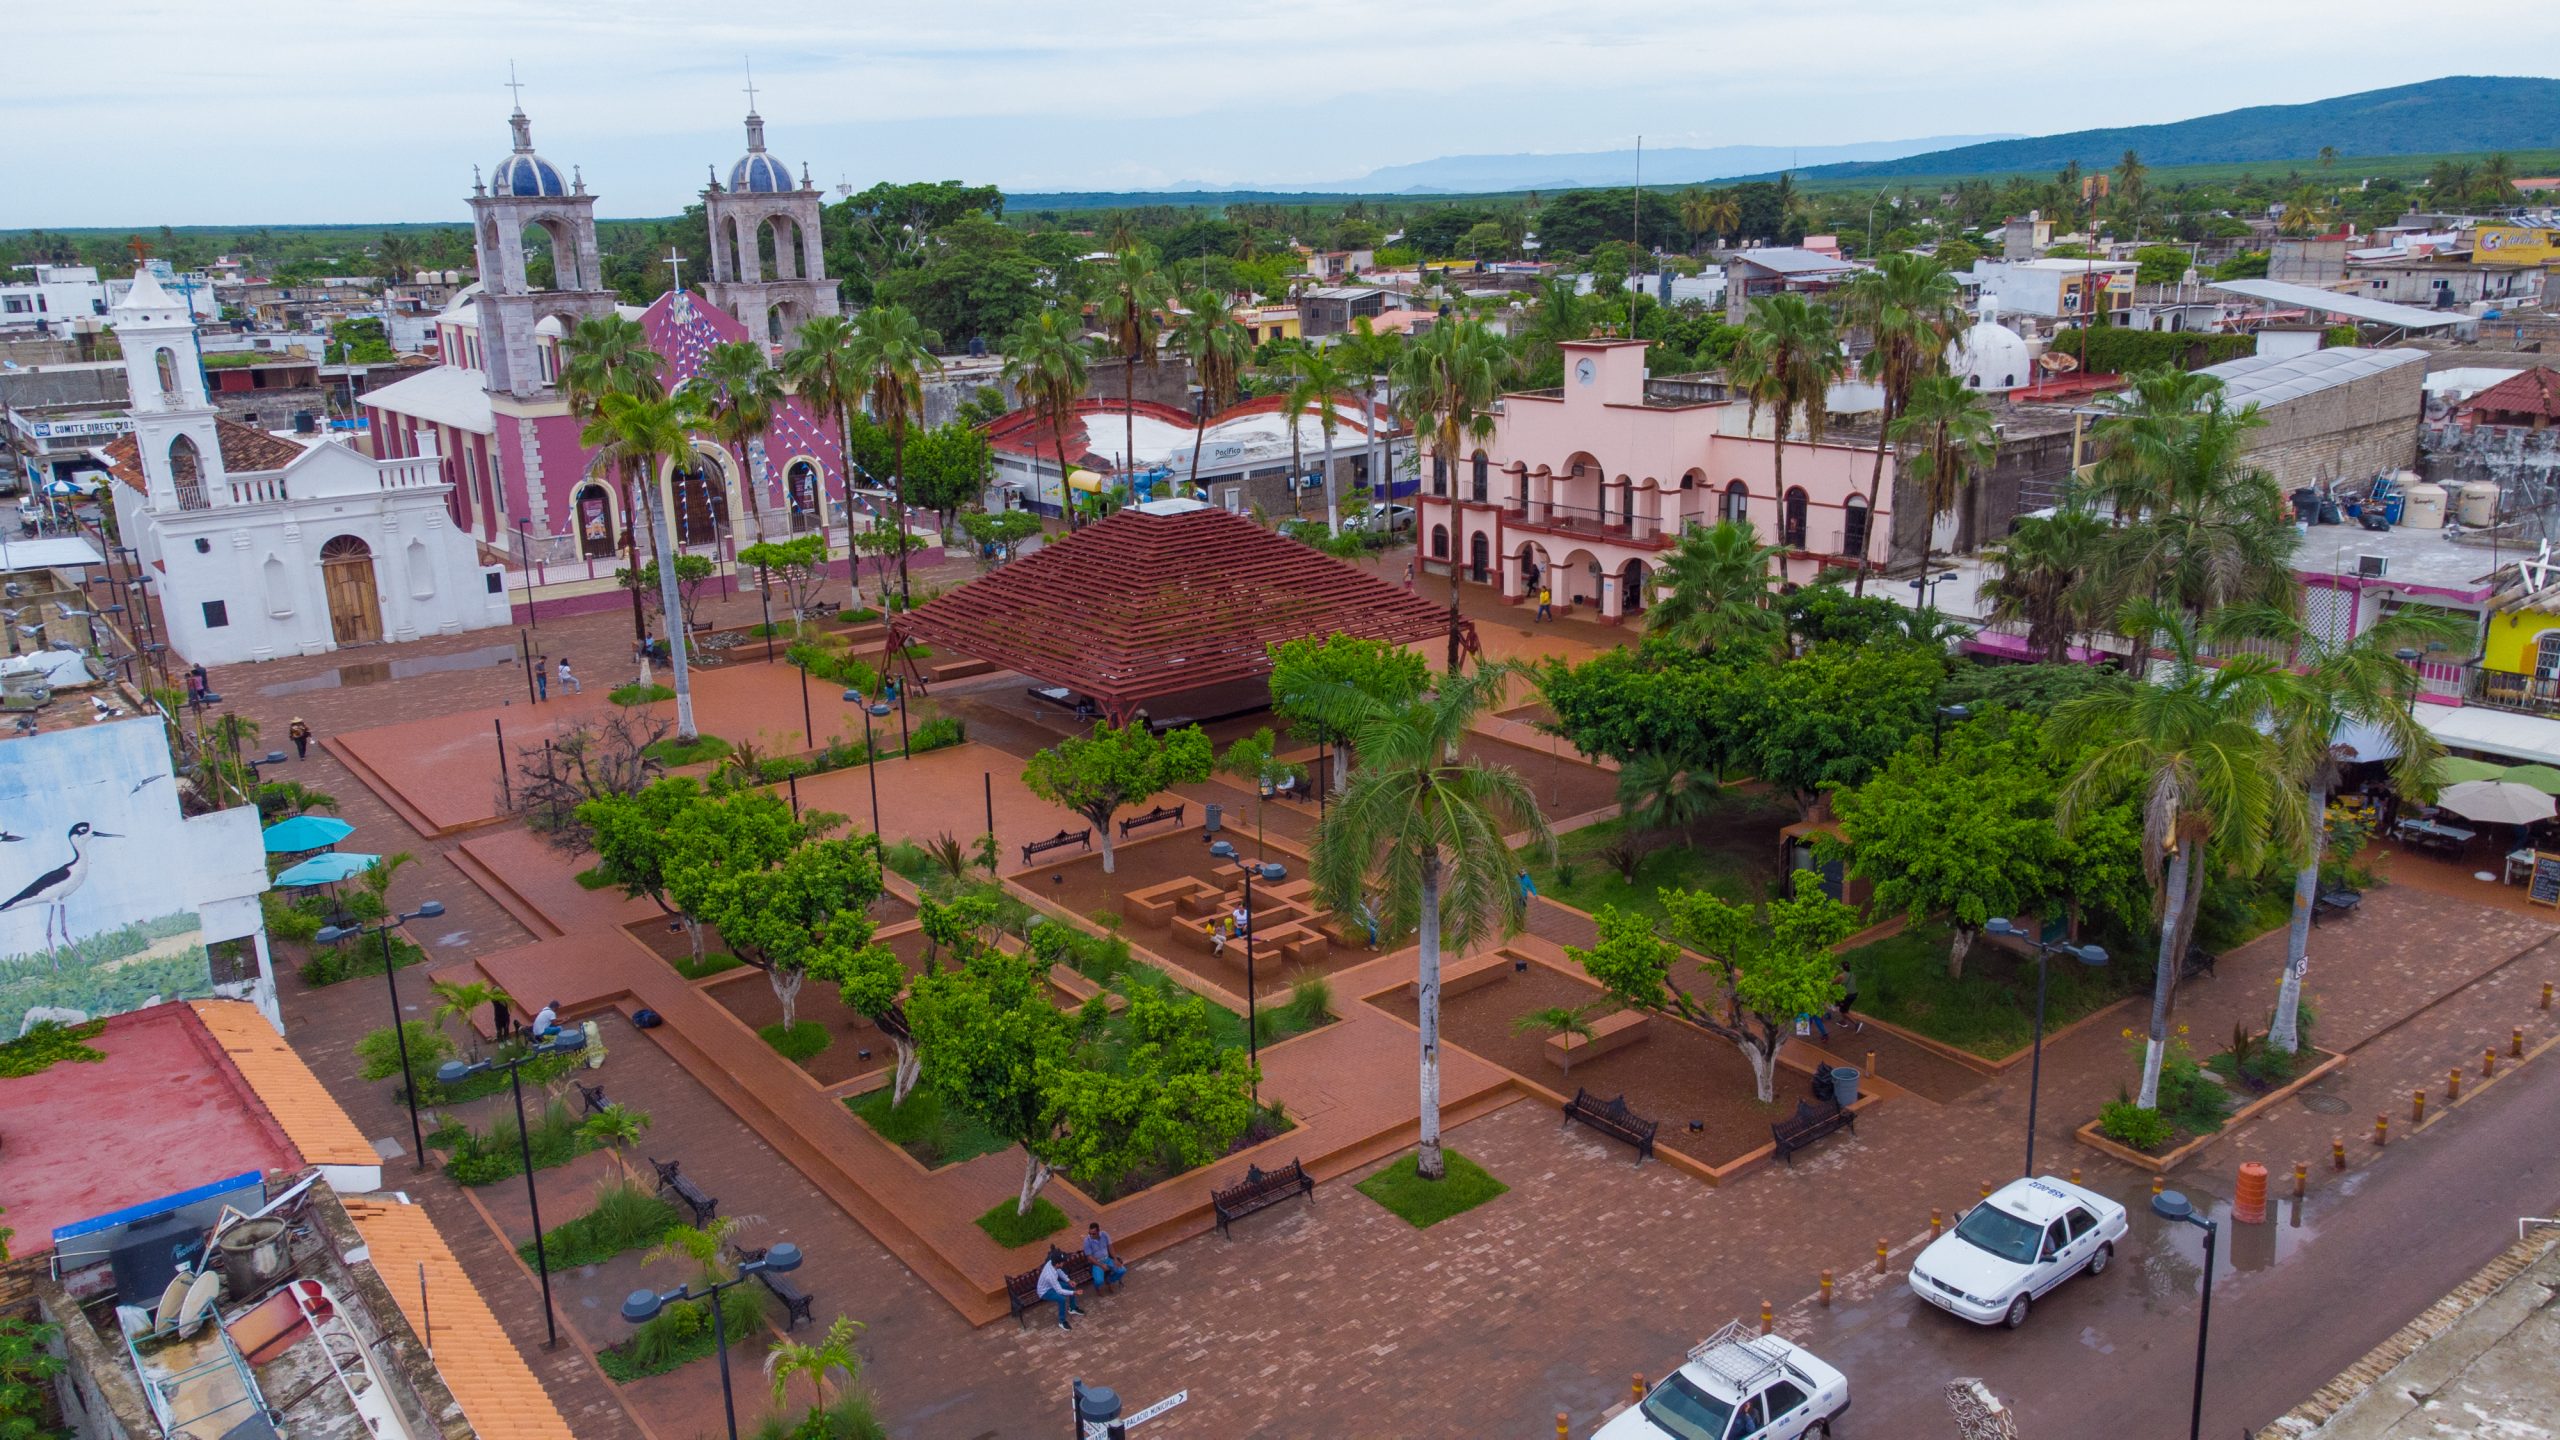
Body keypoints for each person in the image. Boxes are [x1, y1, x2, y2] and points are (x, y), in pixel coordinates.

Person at [1035, 1250, 1084, 1330]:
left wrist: (1068, 1281)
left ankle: (1073, 1308)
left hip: (1051, 1284)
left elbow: (1059, 1271)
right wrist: (1074, 1292)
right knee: (1061, 1299)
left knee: (1070, 1286)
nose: (1063, 1263)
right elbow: (1060, 1291)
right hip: (1044, 1291)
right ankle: (1062, 1321)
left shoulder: (1052, 1262)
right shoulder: (1050, 1275)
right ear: (1057, 1264)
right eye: (1062, 1262)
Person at [1081, 1223, 1127, 1291]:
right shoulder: (1087, 1241)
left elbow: (1110, 1247)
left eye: (1093, 1234)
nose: (1091, 1235)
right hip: (1096, 1263)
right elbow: (1089, 1257)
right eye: (1089, 1233)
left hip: (1107, 1259)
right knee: (1099, 1281)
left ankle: (1109, 1280)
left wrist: (1115, 1259)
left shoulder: (1104, 1234)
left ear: (1098, 1231)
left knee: (1122, 1270)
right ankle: (1097, 1287)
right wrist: (1101, 1265)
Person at [1832, 966, 1864, 1034]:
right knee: (1844, 1008)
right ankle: (1843, 1022)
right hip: (1854, 994)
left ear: (1842, 968)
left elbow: (1833, 982)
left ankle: (1857, 1024)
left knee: (1843, 1011)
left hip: (1847, 996)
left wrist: (1831, 978)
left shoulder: (1841, 976)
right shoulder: (1852, 974)